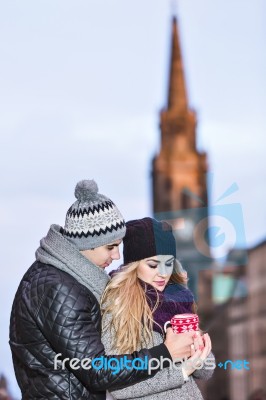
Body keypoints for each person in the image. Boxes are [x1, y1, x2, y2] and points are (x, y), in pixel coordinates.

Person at [9, 180, 195, 400]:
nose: (117, 256)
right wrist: (165, 352)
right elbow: (97, 370)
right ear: (88, 243)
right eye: (111, 246)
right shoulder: (58, 288)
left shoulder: (64, 280)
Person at [101, 217, 215, 400]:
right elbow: (118, 385)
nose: (163, 273)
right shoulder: (118, 305)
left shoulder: (179, 298)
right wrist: (182, 370)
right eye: (153, 265)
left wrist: (200, 352)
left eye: (168, 264)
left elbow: (206, 371)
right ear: (133, 266)